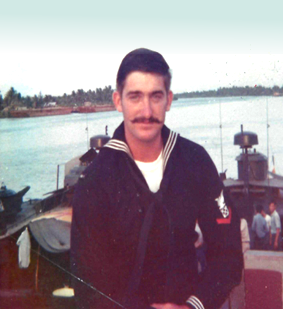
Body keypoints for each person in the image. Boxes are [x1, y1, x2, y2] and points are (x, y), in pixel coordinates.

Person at [70, 48, 243, 309]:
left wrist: (194, 306)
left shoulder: (195, 162)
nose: (147, 110)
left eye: (156, 96)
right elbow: (87, 285)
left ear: (169, 100)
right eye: (135, 97)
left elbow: (228, 254)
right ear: (118, 101)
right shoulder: (95, 181)